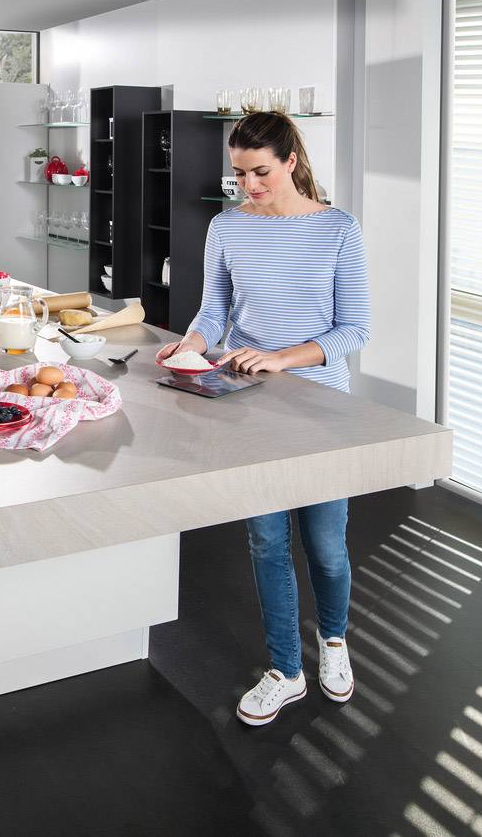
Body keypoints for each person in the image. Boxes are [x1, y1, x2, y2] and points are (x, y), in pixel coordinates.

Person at [157, 112, 370, 726]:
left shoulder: (337, 229)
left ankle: (333, 642)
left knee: (327, 546)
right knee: (266, 540)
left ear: (290, 163)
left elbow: (353, 329)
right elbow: (214, 309)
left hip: (322, 404)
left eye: (260, 172)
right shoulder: (227, 228)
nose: (248, 185)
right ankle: (286, 670)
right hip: (247, 399)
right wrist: (190, 343)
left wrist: (280, 358)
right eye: (239, 174)